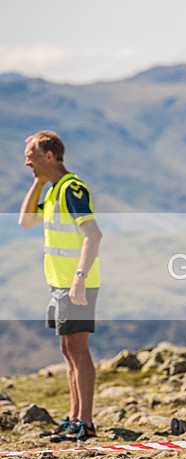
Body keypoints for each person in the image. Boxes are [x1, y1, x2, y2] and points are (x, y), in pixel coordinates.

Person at [18, 131, 102, 441]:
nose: (27, 162)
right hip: (59, 284)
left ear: (50, 156)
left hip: (75, 284)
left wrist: (79, 279)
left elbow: (93, 234)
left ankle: (85, 423)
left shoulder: (71, 189)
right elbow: (26, 220)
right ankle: (74, 417)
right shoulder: (54, 191)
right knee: (68, 350)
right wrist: (39, 182)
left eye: (31, 156)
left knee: (78, 350)